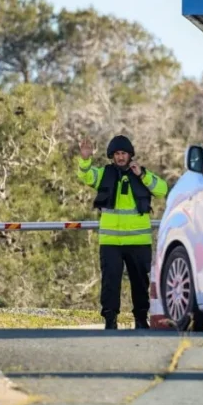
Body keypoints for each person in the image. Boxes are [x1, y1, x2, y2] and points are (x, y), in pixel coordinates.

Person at [77, 135, 168, 329]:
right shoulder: (104, 174)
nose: (120, 157)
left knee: (140, 283)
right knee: (110, 283)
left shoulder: (141, 175)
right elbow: (86, 176)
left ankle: (141, 320)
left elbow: (162, 190)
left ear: (130, 155)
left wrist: (143, 175)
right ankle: (110, 320)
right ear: (112, 156)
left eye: (123, 153)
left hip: (139, 241)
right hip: (110, 241)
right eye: (117, 154)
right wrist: (85, 160)